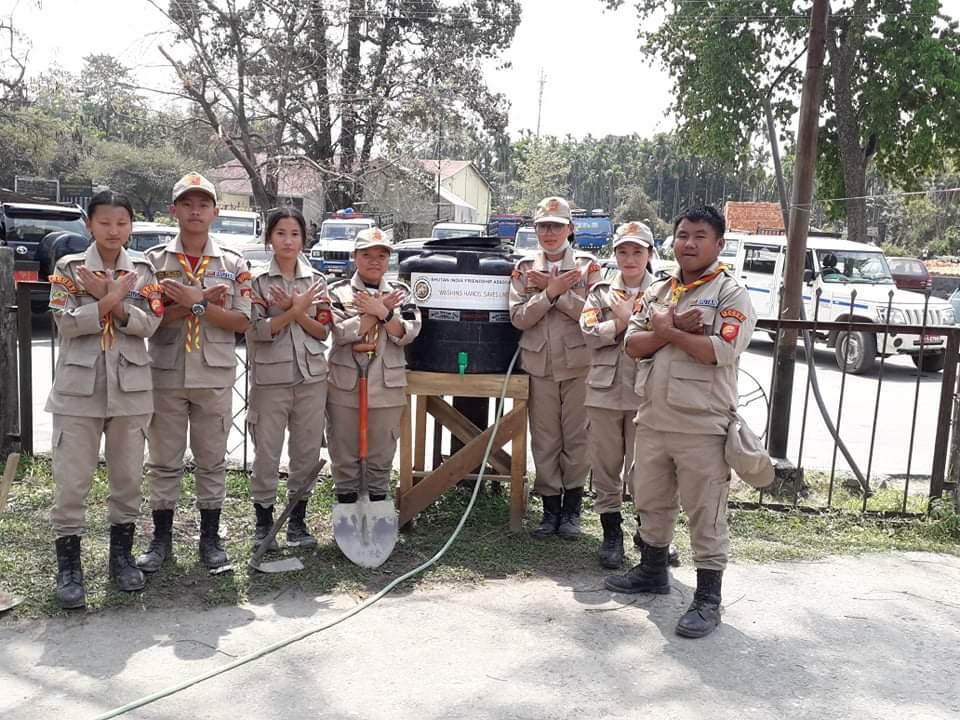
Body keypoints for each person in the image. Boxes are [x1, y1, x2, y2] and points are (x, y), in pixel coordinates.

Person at [605, 205, 756, 639]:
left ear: (719, 244)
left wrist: (667, 332)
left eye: (699, 236)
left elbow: (720, 351)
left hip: (702, 425)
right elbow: (632, 344)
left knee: (706, 513)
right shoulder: (662, 290)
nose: (688, 243)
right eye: (683, 235)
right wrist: (668, 327)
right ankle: (653, 571)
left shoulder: (729, 294)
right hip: (654, 419)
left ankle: (708, 599)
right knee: (651, 501)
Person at [45, 191, 164, 608]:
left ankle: (121, 558)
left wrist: (111, 302)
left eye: (121, 223)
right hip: (78, 391)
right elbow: (63, 322)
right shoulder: (68, 267)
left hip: (131, 390)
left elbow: (151, 323)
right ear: (89, 225)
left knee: (128, 479)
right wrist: (111, 298)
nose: (114, 231)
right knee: (72, 482)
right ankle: (69, 569)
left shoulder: (144, 270)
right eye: (105, 222)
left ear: (131, 226)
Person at [137, 173, 252, 574]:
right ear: (174, 210)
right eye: (187, 204)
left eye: (203, 204)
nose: (195, 211)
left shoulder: (234, 264)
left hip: (214, 376)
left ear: (216, 212)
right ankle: (160, 539)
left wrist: (197, 304)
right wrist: (197, 300)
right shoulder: (153, 262)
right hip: (166, 374)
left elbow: (243, 320)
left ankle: (210, 538)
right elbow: (148, 320)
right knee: (164, 460)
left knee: (212, 459)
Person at [509, 196, 602, 538]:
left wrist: (559, 293)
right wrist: (548, 294)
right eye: (543, 226)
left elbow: (594, 315)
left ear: (570, 229)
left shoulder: (588, 267)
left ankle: (572, 510)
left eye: (556, 226)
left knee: (578, 439)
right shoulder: (523, 269)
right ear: (535, 230)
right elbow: (519, 318)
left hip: (578, 364)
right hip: (540, 364)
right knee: (545, 439)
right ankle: (550, 510)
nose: (549, 233)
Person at [246, 207, 329, 550]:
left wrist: (297, 310)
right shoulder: (257, 281)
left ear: (304, 239)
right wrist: (294, 311)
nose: (288, 241)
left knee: (306, 452)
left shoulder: (317, 281)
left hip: (311, 378)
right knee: (267, 452)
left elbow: (323, 330)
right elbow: (254, 331)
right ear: (269, 238)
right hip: (271, 379)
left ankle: (297, 522)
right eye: (280, 233)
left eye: (295, 234)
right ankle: (263, 523)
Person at [326, 227, 421, 506]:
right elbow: (341, 333)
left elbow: (407, 333)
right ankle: (347, 510)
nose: (374, 261)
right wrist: (373, 312)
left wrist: (383, 312)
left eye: (381, 255)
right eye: (367, 254)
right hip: (345, 384)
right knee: (344, 451)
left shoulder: (401, 293)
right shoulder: (338, 292)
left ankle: (378, 509)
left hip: (386, 385)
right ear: (355, 256)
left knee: (382, 454)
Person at [579, 221, 655, 567]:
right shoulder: (601, 293)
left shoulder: (666, 292)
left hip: (647, 393)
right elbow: (588, 332)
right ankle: (611, 535)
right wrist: (624, 321)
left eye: (637, 251)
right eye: (623, 251)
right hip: (605, 392)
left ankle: (650, 535)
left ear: (650, 254)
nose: (629, 258)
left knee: (648, 470)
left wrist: (634, 318)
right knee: (605, 467)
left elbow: (670, 335)